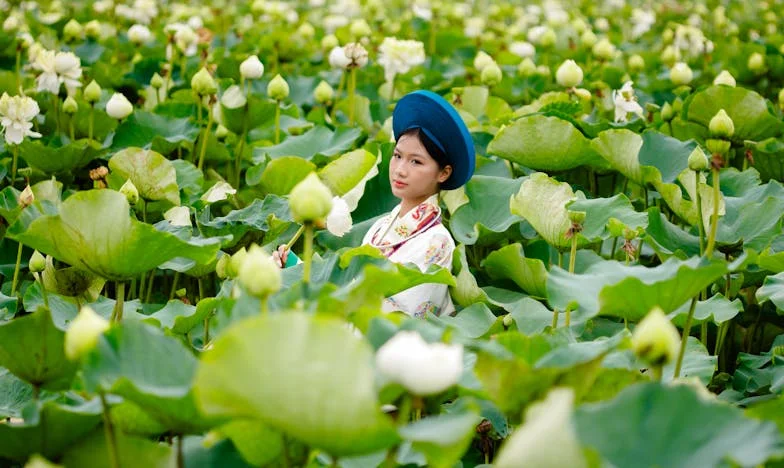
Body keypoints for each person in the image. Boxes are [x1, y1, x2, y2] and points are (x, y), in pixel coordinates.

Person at [274, 90, 475, 317]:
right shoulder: (380, 226)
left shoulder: (438, 243)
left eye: (416, 161)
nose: (399, 169)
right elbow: (349, 286)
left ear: (444, 173)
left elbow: (402, 319)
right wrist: (295, 270)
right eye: (397, 156)